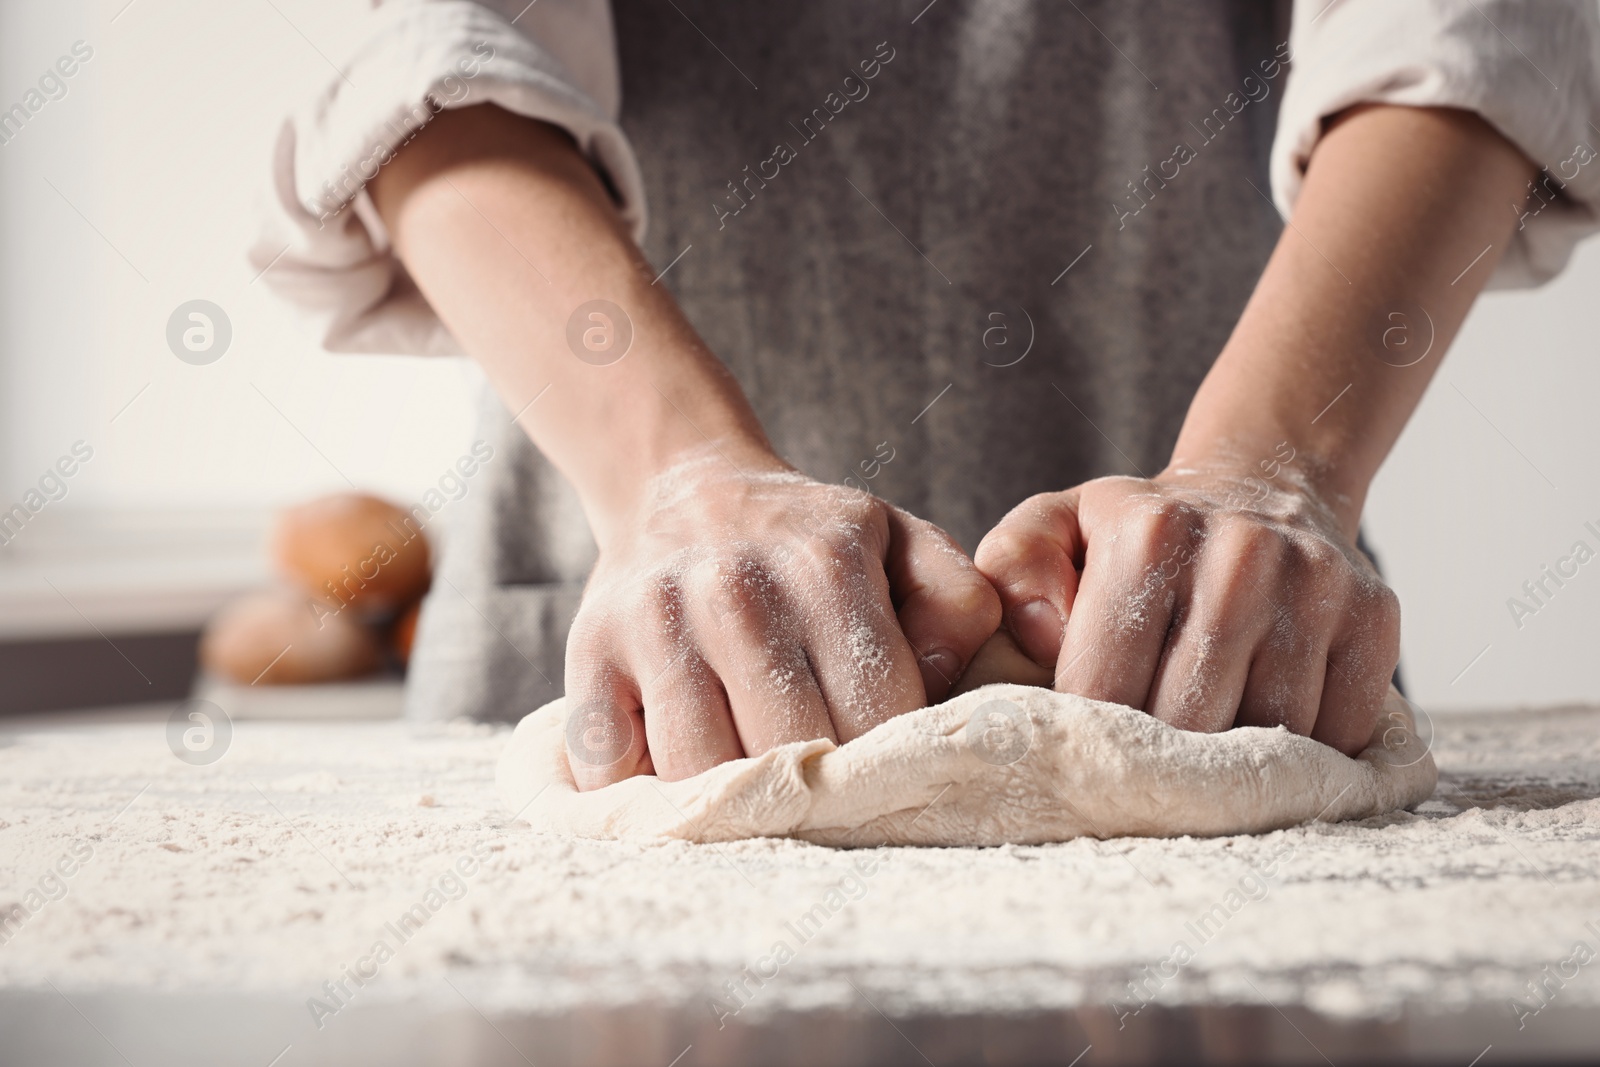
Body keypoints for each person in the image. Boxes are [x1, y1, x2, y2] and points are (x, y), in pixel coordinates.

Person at [255, 1, 1600, 787]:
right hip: (642, 670)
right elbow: (417, 48)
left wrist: (1275, 469)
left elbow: (1466, 27)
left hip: (1243, 654)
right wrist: (673, 483)